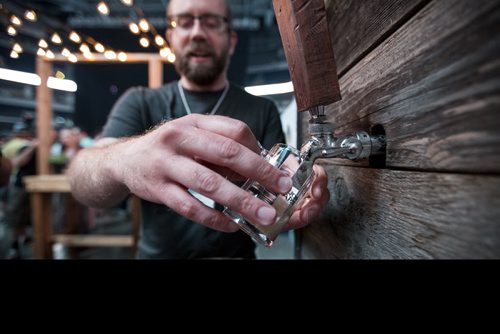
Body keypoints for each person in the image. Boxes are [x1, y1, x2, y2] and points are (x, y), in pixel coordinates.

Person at [67, 0, 330, 259]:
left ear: (231, 40)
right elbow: (81, 178)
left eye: (211, 22)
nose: (197, 33)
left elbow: (281, 186)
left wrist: (300, 188)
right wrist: (123, 159)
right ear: (171, 37)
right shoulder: (139, 102)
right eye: (184, 22)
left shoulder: (263, 109)